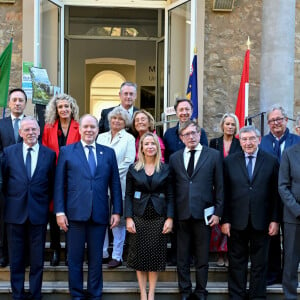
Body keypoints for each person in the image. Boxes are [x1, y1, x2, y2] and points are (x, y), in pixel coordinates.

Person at [54, 114, 122, 299]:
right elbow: (59, 184)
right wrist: (59, 211)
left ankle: (94, 294)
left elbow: (115, 184)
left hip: (99, 214)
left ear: (98, 130)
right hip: (74, 215)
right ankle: (76, 294)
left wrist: (117, 210)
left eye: (93, 127)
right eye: (86, 127)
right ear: (80, 129)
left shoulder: (108, 153)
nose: (89, 130)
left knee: (96, 259)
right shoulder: (67, 151)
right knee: (74, 259)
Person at [222, 125, 280, 299]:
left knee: (260, 264)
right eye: (244, 139)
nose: (248, 143)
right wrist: (225, 220)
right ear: (240, 142)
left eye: (252, 139)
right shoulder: (229, 161)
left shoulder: (271, 160)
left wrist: (275, 220)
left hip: (262, 221)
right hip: (236, 221)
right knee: (236, 263)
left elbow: (276, 194)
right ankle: (236, 295)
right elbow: (224, 192)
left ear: (259, 140)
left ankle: (257, 296)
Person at [2, 116, 56, 300]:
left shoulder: (49, 154)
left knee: (37, 260)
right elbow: (4, 181)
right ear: (20, 132)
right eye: (27, 130)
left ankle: (35, 294)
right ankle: (17, 295)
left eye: (34, 129)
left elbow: (52, 184)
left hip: (38, 214)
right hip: (14, 213)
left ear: (39, 131)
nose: (31, 133)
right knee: (16, 260)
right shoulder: (9, 152)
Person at [169, 120, 223, 300]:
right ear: (181, 138)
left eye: (194, 133)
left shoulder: (213, 155)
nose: (191, 137)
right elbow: (172, 189)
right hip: (181, 214)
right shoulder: (174, 158)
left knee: (202, 258)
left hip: (204, 215)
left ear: (199, 134)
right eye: (186, 134)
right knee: (182, 258)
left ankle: (201, 291)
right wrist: (171, 215)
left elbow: (220, 186)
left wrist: (218, 212)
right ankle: (185, 291)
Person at [125, 132, 173, 300]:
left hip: (159, 217)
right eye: (147, 144)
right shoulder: (133, 168)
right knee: (139, 256)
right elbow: (128, 195)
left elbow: (171, 195)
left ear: (157, 146)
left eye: (153, 143)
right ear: (142, 148)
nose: (150, 146)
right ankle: (143, 293)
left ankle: (151, 293)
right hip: (139, 216)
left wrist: (170, 218)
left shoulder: (165, 168)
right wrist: (128, 217)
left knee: (154, 256)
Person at [259, 104, 300, 285]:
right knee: (272, 238)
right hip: (270, 198)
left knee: (292, 242)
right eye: (272, 120)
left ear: (286, 120)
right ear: (268, 123)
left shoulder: (296, 141)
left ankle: (289, 277)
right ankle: (273, 274)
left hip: (291, 199)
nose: (275, 123)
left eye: (279, 119)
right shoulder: (263, 142)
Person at [42, 93, 81, 266]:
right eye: (60, 107)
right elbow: (44, 151)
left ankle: (70, 250)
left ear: (72, 108)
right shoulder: (49, 127)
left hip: (73, 176)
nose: (64, 109)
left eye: (67, 106)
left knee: (71, 213)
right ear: (56, 110)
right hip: (53, 175)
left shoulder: (79, 127)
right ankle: (56, 249)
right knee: (53, 212)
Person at [97, 106, 135, 268]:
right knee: (102, 218)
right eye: (114, 118)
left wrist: (109, 174)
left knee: (117, 221)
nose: (116, 121)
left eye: (120, 119)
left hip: (120, 183)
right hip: (100, 185)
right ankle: (103, 252)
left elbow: (128, 161)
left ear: (125, 122)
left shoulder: (129, 139)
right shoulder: (100, 137)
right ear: (109, 120)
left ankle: (117, 256)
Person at [209, 113, 242, 267]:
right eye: (227, 124)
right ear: (222, 125)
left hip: (234, 186)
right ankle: (219, 254)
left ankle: (228, 252)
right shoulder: (214, 142)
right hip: (216, 186)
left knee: (231, 220)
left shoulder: (240, 142)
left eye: (232, 124)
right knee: (218, 220)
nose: (230, 127)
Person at [0, 88, 27, 268]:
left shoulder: (33, 123)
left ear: (25, 103)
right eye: (14, 100)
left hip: (25, 180)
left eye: (21, 100)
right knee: (4, 219)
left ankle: (23, 256)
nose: (17, 103)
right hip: (5, 178)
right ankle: (3, 254)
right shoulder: (1, 124)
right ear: (9, 103)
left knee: (23, 219)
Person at [278, 142, 300, 300]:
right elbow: (283, 186)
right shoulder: (289, 153)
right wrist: (298, 210)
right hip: (294, 216)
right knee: (291, 260)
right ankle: (290, 296)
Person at [163, 98, 208, 163]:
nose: (184, 112)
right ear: (176, 112)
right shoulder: (168, 134)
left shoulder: (200, 132)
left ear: (192, 111)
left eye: (187, 109)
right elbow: (166, 159)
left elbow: (205, 155)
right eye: (181, 110)